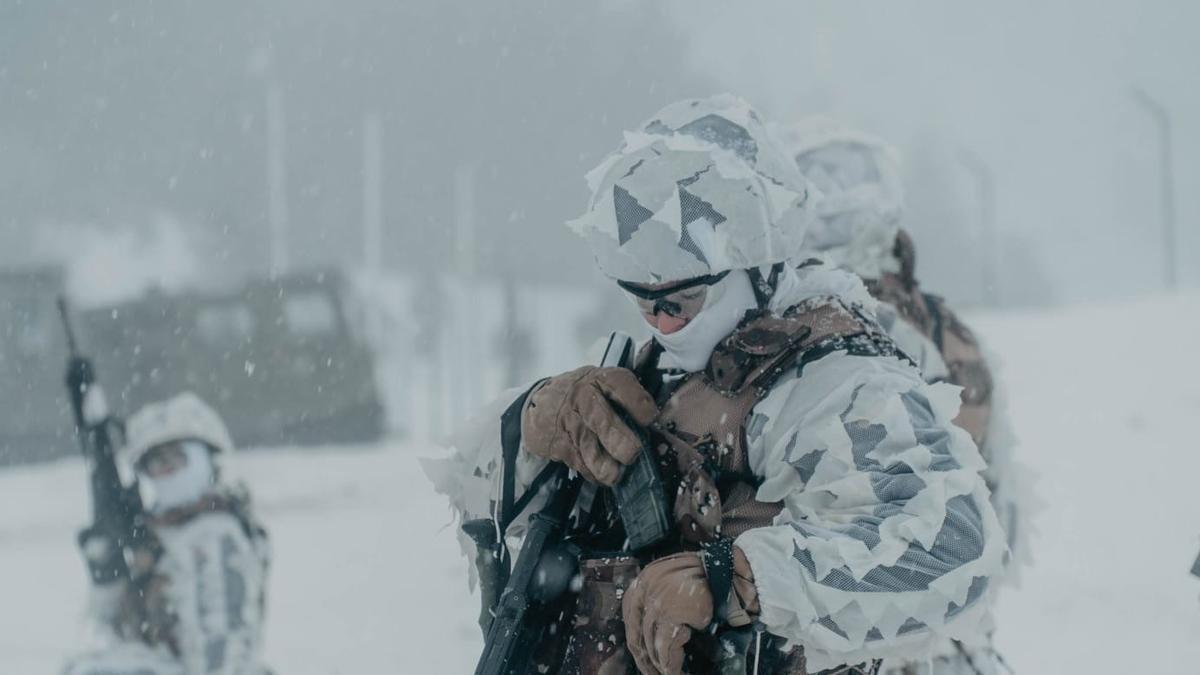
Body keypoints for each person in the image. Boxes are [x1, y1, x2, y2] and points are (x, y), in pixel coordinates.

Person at [427, 95, 1006, 675]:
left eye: (682, 300)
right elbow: (485, 508)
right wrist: (534, 422)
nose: (660, 322)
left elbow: (955, 541)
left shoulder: (834, 381)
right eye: (643, 300)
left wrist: (743, 579)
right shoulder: (662, 371)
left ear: (754, 267)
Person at [778, 116, 1032, 674]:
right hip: (946, 624)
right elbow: (1002, 499)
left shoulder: (826, 330)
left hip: (864, 628)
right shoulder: (940, 323)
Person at [62, 392, 270, 675]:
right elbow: (115, 628)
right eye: (155, 462)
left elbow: (223, 654)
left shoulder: (213, 536)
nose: (166, 470)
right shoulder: (162, 535)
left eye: (177, 458)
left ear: (205, 459)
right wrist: (107, 568)